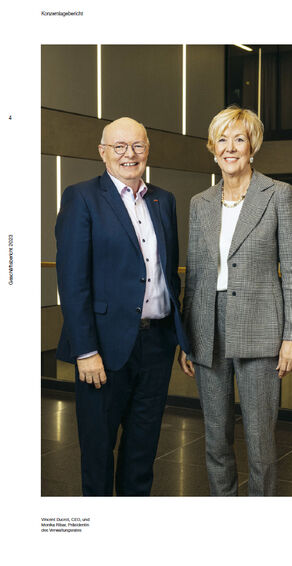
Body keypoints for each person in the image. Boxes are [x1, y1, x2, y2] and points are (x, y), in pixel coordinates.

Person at [55, 117, 189, 496]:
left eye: (138, 146)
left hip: (157, 345)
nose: (129, 154)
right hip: (103, 349)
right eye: (119, 146)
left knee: (142, 455)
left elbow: (169, 274)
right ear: (103, 152)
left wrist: (181, 337)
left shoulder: (164, 200)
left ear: (147, 150)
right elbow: (73, 282)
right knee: (99, 454)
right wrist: (85, 351)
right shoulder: (82, 197)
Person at [178, 106, 292, 496]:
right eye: (222, 140)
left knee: (261, 442)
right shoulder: (200, 202)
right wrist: (187, 339)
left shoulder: (278, 194)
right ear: (212, 148)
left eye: (239, 139)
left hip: (261, 329)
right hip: (208, 329)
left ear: (252, 146)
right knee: (215, 438)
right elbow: (195, 275)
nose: (230, 148)